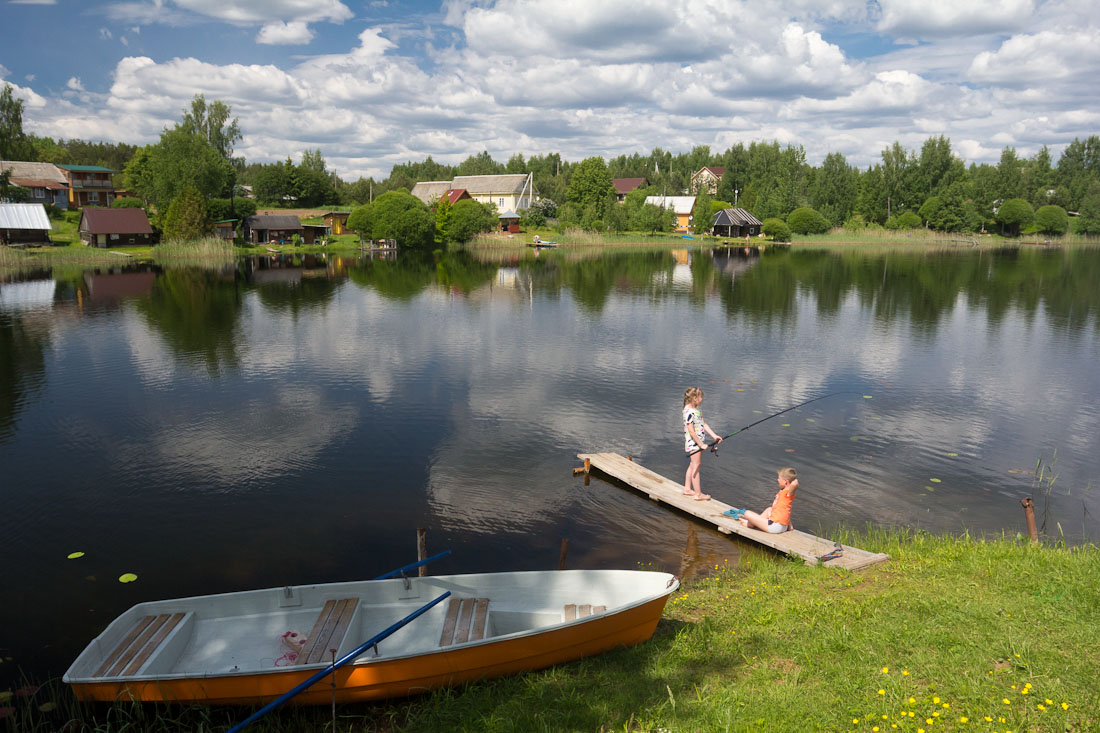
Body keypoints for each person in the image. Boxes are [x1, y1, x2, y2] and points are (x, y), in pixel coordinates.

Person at [682, 386, 723, 501]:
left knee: (692, 465)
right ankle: (698, 494)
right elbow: (691, 431)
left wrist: (714, 436)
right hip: (694, 443)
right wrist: (700, 444)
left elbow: (704, 424)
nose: (702, 399)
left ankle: (687, 489)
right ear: (695, 398)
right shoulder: (689, 412)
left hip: (697, 443)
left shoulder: (697, 409)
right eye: (701, 397)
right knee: (696, 466)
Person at [732, 468, 798, 533]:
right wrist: (790, 526)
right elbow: (785, 510)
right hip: (781, 526)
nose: (777, 480)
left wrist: (793, 479)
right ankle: (751, 524)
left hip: (774, 527)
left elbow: (794, 484)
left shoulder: (787, 494)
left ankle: (750, 524)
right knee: (769, 509)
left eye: (779, 478)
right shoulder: (783, 491)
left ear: (785, 481)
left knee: (747, 513)